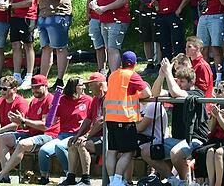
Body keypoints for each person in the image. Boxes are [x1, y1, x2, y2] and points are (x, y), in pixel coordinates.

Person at [142, 58, 209, 185]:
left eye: (182, 81)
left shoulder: (197, 92)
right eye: (176, 81)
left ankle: (185, 182)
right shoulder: (176, 91)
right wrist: (162, 75)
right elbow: (155, 93)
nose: (178, 84)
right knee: (146, 151)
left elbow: (176, 92)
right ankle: (173, 179)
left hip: (196, 139)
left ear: (191, 82)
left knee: (175, 153)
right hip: (177, 139)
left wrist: (168, 73)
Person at [0, 75, 55, 183]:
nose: (34, 90)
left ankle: (0, 175)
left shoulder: (50, 100)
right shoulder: (34, 101)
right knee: (2, 139)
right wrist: (19, 122)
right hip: (32, 134)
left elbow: (45, 126)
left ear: (46, 86)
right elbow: (26, 126)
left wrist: (24, 121)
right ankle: (5, 177)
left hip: (48, 135)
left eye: (38, 87)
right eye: (33, 87)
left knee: (22, 144)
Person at [104, 52, 151, 186]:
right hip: (125, 119)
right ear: (134, 64)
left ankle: (112, 180)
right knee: (128, 151)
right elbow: (147, 93)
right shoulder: (132, 75)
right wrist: (137, 95)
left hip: (110, 118)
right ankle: (117, 181)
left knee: (112, 151)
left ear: (121, 63)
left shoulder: (113, 75)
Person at [35, 77, 93, 185]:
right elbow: (50, 122)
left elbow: (91, 119)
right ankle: (44, 178)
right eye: (81, 85)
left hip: (78, 135)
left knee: (60, 147)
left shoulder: (88, 100)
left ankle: (70, 175)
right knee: (43, 151)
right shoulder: (61, 100)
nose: (84, 87)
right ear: (74, 87)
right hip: (63, 135)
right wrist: (52, 110)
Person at [34, 0, 73, 87]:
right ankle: (43, 80)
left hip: (58, 14)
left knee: (60, 47)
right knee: (46, 47)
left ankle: (60, 79)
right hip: (44, 14)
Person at [62, 72, 108, 186]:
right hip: (96, 136)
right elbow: (88, 120)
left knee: (81, 144)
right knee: (73, 143)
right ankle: (71, 177)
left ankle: (86, 179)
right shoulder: (95, 100)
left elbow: (101, 122)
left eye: (92, 85)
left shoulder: (108, 98)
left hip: (107, 138)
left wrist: (86, 136)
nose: (89, 87)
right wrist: (77, 135)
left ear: (100, 85)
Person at [90, 0, 132, 72]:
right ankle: (112, 73)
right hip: (104, 19)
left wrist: (104, 8)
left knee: (113, 48)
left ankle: (114, 75)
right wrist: (94, 4)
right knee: (108, 48)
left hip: (118, 19)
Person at [8, 0, 38, 89]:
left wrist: (11, 6)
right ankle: (16, 75)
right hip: (15, 15)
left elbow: (28, 2)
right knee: (15, 44)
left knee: (28, 45)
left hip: (27, 16)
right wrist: (9, 0)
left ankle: (29, 75)